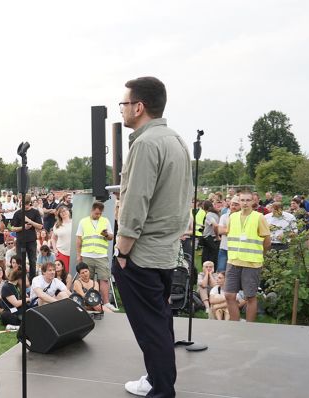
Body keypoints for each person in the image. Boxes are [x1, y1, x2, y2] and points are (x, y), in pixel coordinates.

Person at [115, 76, 192, 397]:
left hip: (141, 254)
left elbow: (136, 201)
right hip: (165, 250)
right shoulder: (175, 139)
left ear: (139, 106)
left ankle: (161, 388)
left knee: (151, 327)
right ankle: (156, 377)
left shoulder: (146, 144)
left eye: (124, 103)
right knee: (160, 321)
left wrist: (122, 249)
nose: (121, 109)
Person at [224, 190, 271, 322]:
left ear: (253, 201)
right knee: (229, 295)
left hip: (251, 263)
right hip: (233, 261)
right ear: (238, 201)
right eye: (242, 200)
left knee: (250, 297)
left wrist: (260, 255)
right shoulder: (232, 217)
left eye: (248, 200)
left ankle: (249, 327)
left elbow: (267, 242)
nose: (245, 203)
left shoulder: (259, 217)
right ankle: (236, 325)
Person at [76, 201, 116, 311]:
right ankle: (89, 302)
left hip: (101, 255)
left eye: (100, 213)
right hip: (87, 255)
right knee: (87, 279)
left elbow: (111, 237)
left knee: (104, 279)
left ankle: (106, 303)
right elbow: (79, 239)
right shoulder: (83, 221)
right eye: (97, 213)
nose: (98, 215)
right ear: (92, 210)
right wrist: (79, 255)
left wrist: (106, 234)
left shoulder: (105, 221)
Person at [11, 194, 43, 282]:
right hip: (20, 240)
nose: (24, 206)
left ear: (30, 203)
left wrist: (29, 221)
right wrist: (23, 227)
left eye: (26, 204)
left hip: (31, 241)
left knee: (32, 261)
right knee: (20, 261)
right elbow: (13, 228)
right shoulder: (17, 213)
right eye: (23, 204)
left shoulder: (35, 212)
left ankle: (32, 280)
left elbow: (40, 226)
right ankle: (21, 279)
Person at [216, 196, 241, 272]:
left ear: (240, 206)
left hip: (237, 249)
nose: (234, 207)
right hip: (224, 248)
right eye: (232, 204)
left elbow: (241, 232)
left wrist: (226, 229)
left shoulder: (243, 218)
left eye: (236, 205)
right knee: (221, 270)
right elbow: (220, 231)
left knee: (234, 272)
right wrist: (234, 230)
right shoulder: (224, 216)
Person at [51, 205, 73, 272]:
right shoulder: (57, 225)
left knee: (74, 273)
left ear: (68, 211)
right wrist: (55, 250)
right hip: (61, 252)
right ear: (59, 214)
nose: (63, 212)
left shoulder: (75, 222)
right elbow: (53, 238)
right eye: (61, 212)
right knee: (62, 273)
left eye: (65, 210)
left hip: (74, 253)